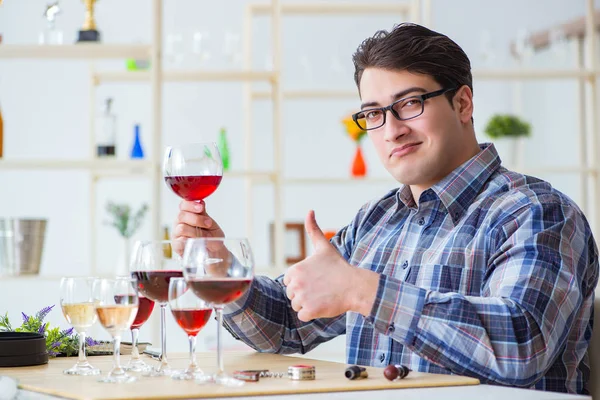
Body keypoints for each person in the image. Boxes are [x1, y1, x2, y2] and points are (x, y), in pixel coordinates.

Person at [173, 23, 599, 395]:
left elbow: (521, 343)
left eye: (410, 103)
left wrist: (365, 291)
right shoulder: (374, 221)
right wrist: (219, 267)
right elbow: (285, 322)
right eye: (373, 113)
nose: (391, 130)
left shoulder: (536, 212)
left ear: (463, 104)